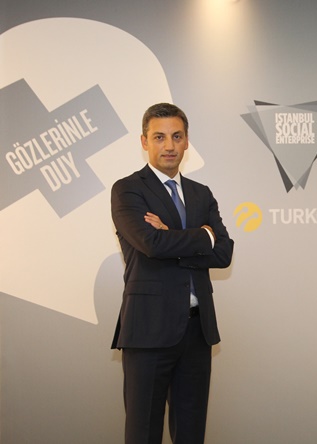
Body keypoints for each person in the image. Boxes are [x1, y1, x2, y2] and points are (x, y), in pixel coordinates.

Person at [110, 103, 234, 443]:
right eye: (159, 137)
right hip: (148, 329)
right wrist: (201, 237)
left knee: (191, 433)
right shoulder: (128, 190)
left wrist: (172, 236)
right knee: (144, 433)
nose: (169, 146)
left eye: (176, 137)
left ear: (186, 141)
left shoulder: (201, 194)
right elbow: (151, 244)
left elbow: (223, 252)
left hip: (197, 331)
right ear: (144, 141)